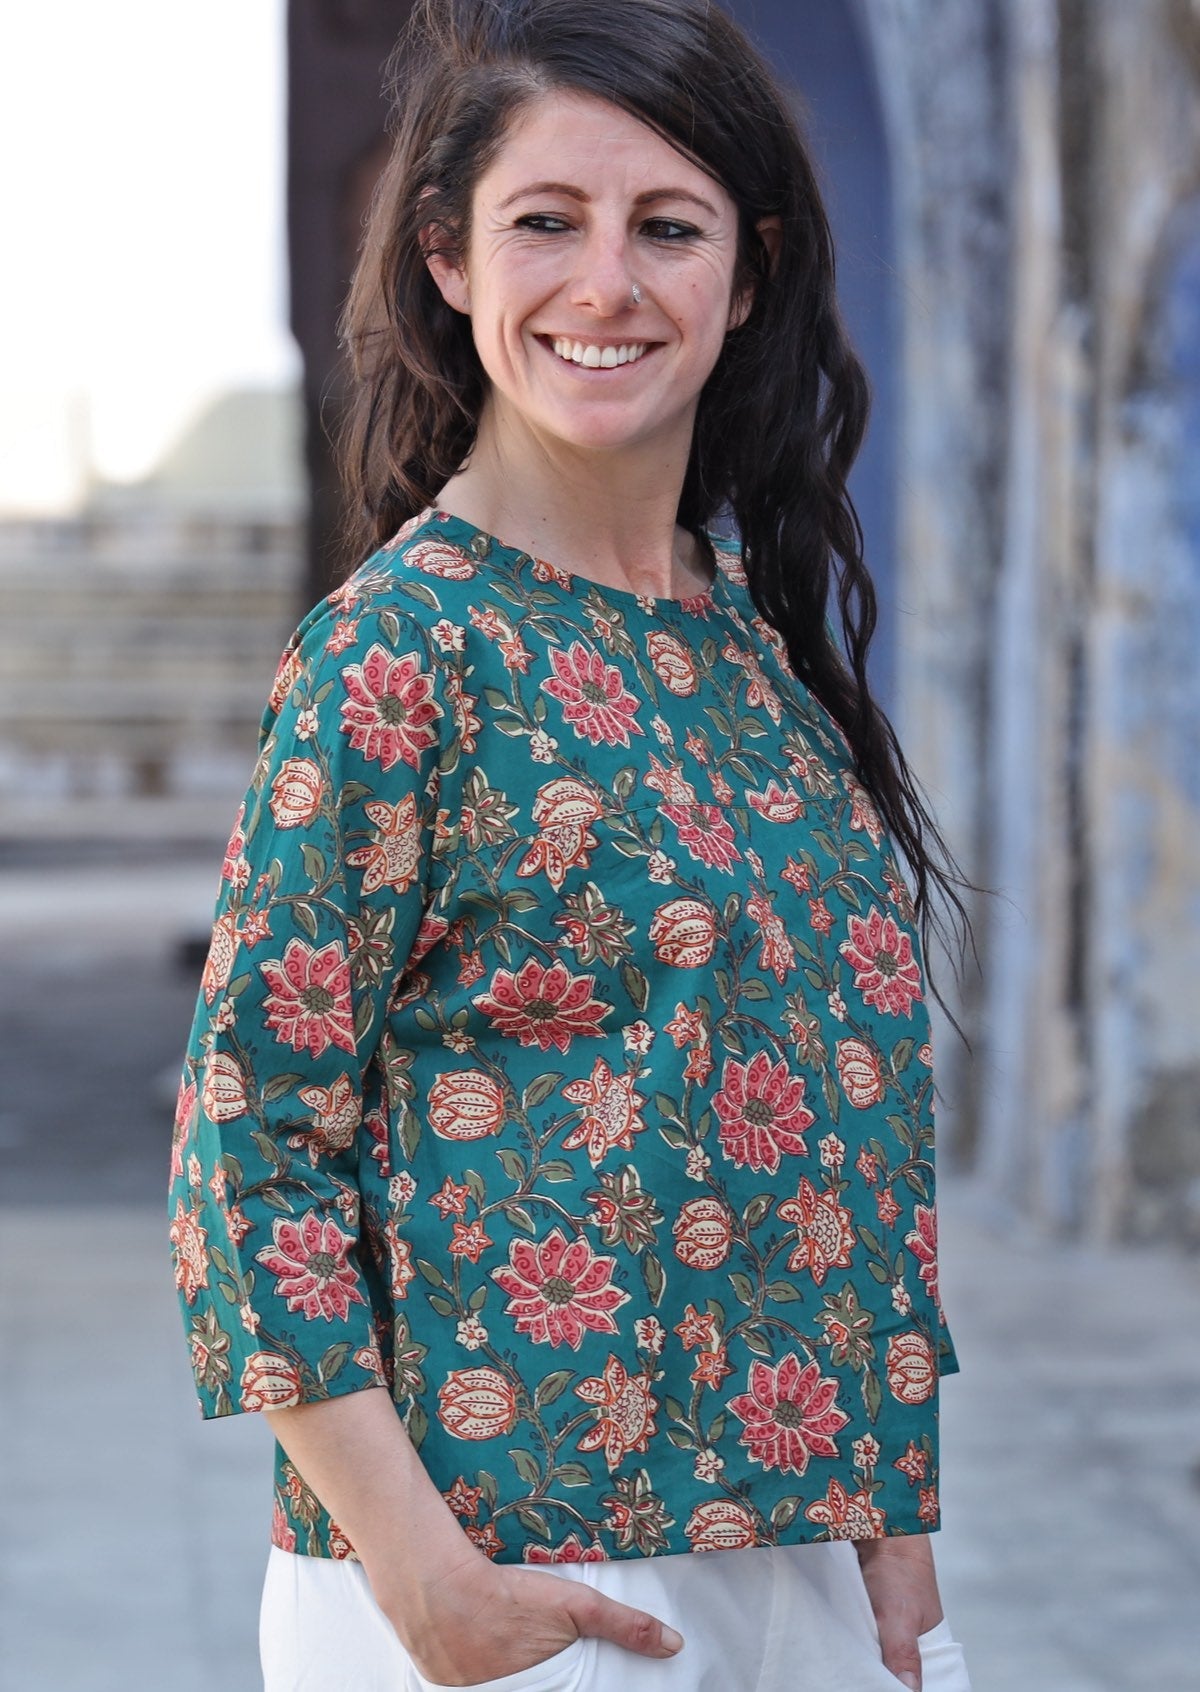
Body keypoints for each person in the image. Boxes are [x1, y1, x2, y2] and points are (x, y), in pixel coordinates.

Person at [168, 2, 977, 1687]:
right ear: (451, 261)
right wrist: (421, 1577)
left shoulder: (745, 644)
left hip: (791, 1544)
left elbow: (822, 1092)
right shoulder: (404, 654)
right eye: (548, 222)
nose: (605, 285)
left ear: (742, 280)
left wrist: (891, 1510)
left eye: (665, 228)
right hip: (514, 1579)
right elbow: (249, 1147)